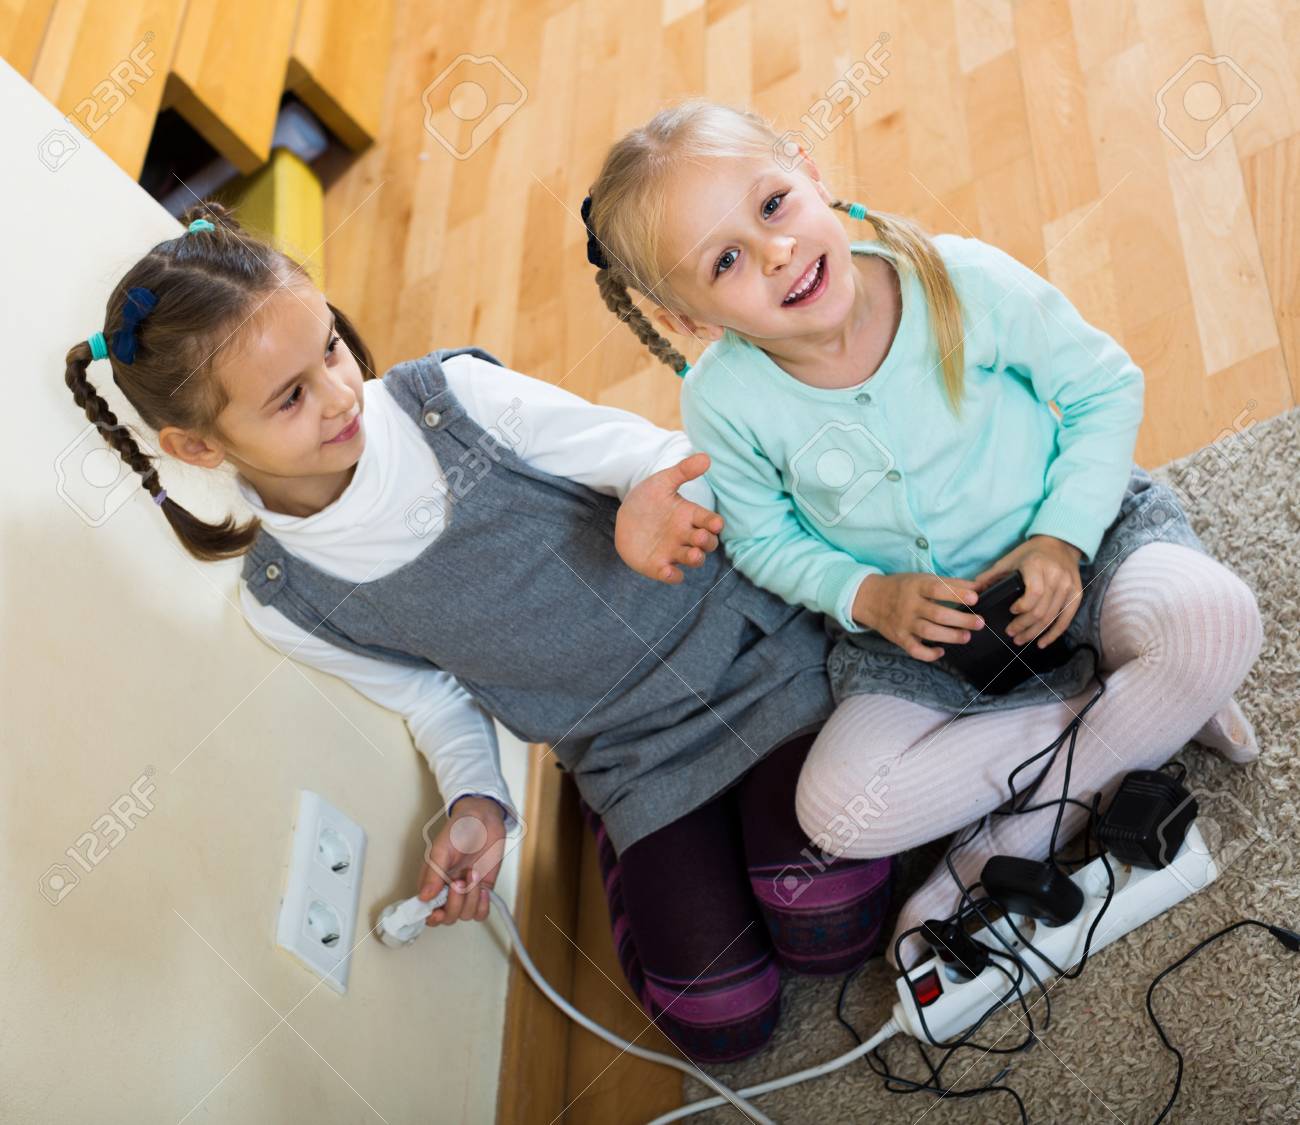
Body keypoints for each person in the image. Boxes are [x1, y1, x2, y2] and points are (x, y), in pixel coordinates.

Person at [62, 200, 894, 1062]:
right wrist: (475, 800)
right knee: (722, 1022)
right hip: (628, 756)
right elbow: (431, 696)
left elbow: (655, 456)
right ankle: (629, 837)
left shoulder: (453, 399)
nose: (342, 393)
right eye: (292, 397)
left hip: (753, 659)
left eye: (331, 348)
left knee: (826, 923)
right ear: (198, 448)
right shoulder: (285, 599)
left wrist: (655, 499)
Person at [583, 98, 1264, 966]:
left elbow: (1103, 388)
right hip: (922, 644)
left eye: (774, 205)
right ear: (689, 319)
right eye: (726, 261)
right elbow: (763, 540)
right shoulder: (722, 401)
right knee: (835, 810)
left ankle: (1002, 846)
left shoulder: (957, 278)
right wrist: (867, 595)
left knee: (1216, 619)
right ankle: (1137, 713)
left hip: (1087, 557)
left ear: (810, 172)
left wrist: (1062, 538)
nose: (777, 252)